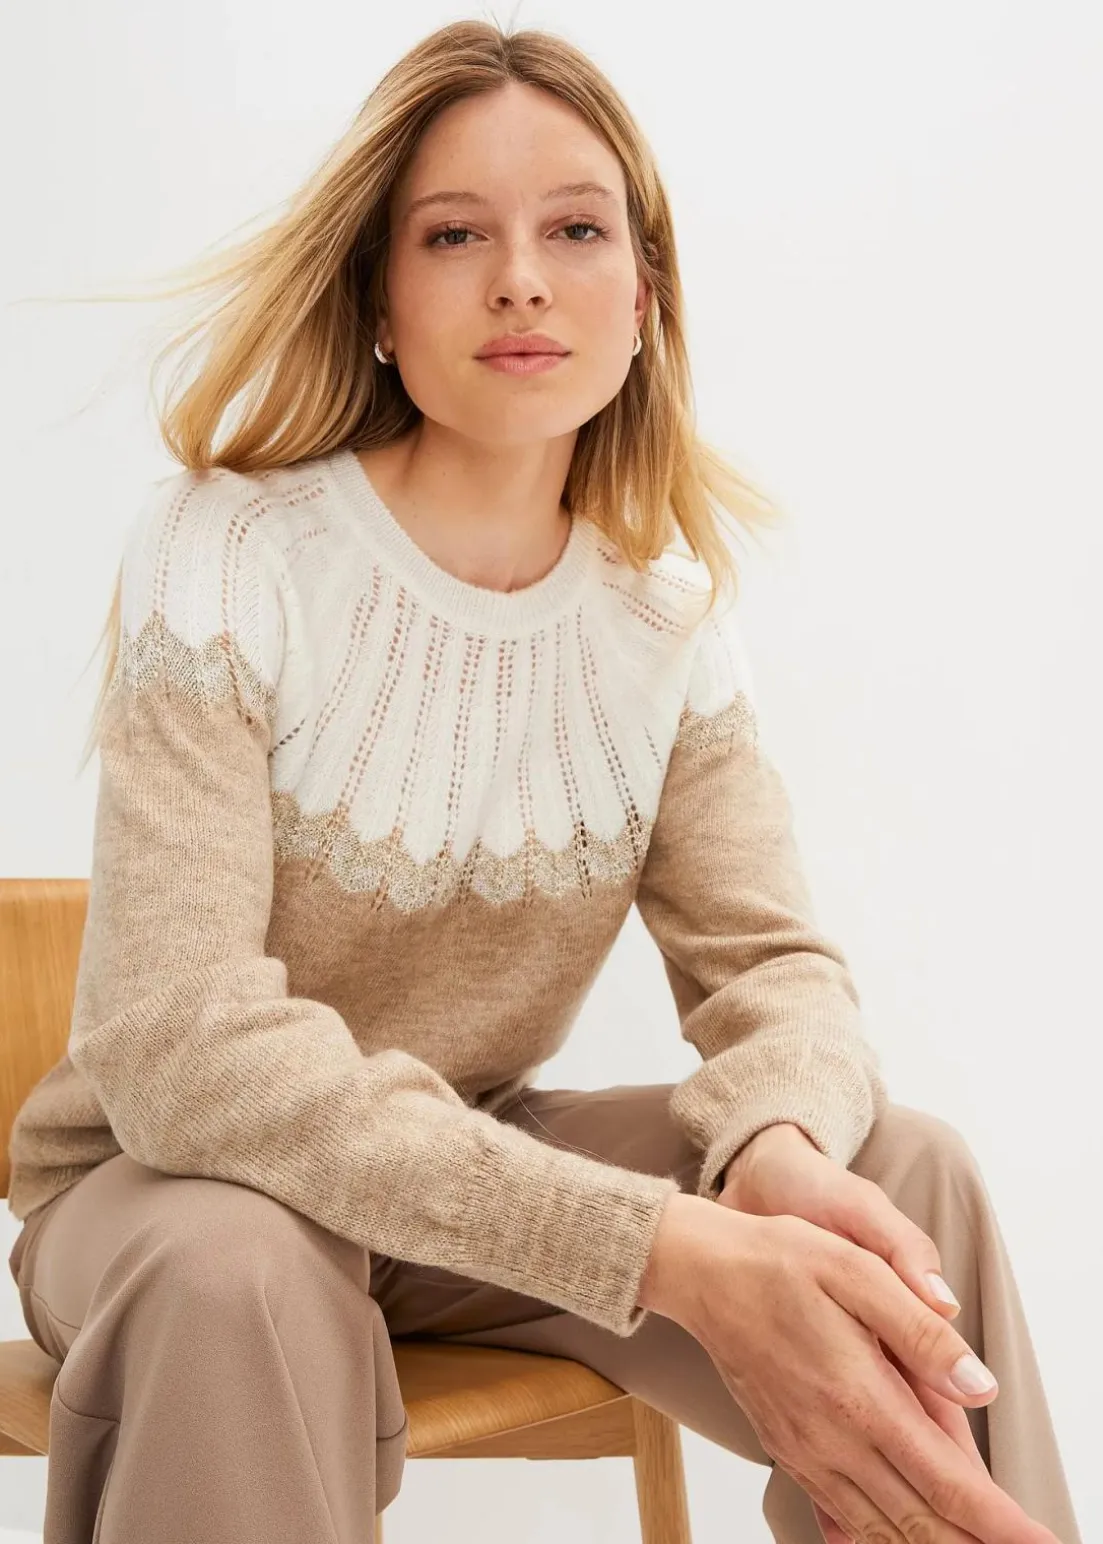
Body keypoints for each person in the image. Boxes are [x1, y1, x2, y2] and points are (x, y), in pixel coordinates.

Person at [5, 19, 1081, 1544]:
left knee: (901, 1177)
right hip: (172, 1184)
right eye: (455, 236)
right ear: (379, 301)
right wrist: (666, 1248)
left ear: (643, 296)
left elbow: (775, 973)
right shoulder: (229, 552)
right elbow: (177, 1045)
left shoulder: (662, 614)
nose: (520, 279)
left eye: (575, 230)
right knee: (237, 1266)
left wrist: (768, 1152)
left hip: (468, 1180)